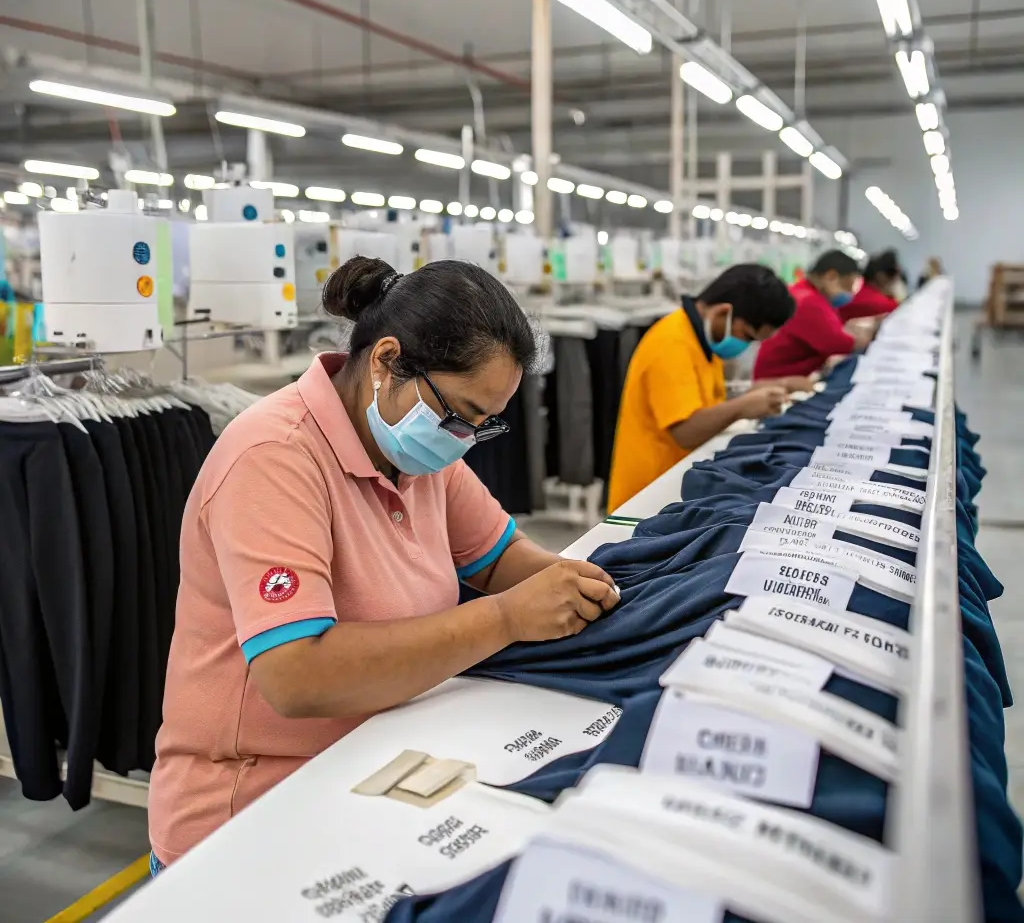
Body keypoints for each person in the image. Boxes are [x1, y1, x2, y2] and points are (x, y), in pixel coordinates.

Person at [147, 257, 620, 870]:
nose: (462, 437)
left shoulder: (422, 454)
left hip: (372, 776)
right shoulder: (274, 458)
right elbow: (296, 676)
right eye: (457, 415)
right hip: (252, 821)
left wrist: (604, 591)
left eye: (482, 425)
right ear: (386, 360)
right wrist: (504, 620)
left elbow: (503, 557)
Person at [607, 264, 810, 512]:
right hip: (647, 499)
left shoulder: (699, 340)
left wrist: (768, 387)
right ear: (724, 311)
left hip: (676, 485)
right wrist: (742, 408)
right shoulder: (672, 344)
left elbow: (708, 398)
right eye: (747, 336)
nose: (745, 346)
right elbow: (686, 432)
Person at [754, 249, 875, 381]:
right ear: (831, 277)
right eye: (847, 286)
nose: (850, 293)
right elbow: (840, 344)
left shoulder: (806, 293)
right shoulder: (808, 302)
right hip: (777, 383)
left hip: (780, 378)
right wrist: (869, 333)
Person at [836, 249, 901, 322]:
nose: (896, 280)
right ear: (880, 275)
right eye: (893, 275)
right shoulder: (886, 305)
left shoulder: (850, 287)